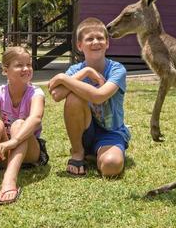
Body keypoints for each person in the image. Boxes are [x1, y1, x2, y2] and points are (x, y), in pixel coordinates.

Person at [48, 17, 129, 178]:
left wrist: (64, 78)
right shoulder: (76, 69)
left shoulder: (117, 70)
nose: (95, 42)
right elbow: (57, 95)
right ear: (79, 45)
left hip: (111, 132)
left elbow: (99, 97)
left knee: (111, 167)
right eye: (89, 39)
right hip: (84, 130)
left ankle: (98, 153)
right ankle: (78, 152)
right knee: (74, 98)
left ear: (107, 43)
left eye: (100, 38)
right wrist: (86, 72)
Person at [0, 46, 48, 205]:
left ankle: (9, 180)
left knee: (20, 124)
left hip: (29, 152)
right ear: (5, 70)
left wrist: (13, 141)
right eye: (19, 65)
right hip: (3, 153)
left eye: (29, 64)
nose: (26, 69)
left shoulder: (36, 93)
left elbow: (35, 119)